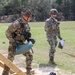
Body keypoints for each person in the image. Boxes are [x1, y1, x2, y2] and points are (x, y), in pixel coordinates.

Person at [2, 9, 35, 75]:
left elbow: (26, 35)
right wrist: (13, 41)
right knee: (9, 60)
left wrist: (30, 39)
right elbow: (7, 32)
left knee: (30, 55)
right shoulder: (17, 24)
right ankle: (5, 73)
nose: (30, 19)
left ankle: (28, 73)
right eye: (30, 17)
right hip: (13, 44)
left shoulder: (27, 25)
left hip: (21, 43)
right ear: (26, 17)